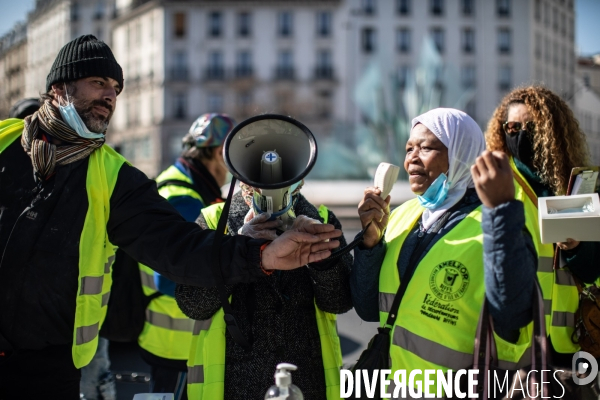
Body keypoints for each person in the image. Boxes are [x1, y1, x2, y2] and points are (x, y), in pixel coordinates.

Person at [0, 34, 341, 399]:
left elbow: (179, 248)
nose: (110, 96)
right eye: (98, 82)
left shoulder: (115, 178)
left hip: (49, 370)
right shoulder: (5, 142)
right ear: (59, 87)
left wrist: (260, 256)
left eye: (116, 88)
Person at [351, 108, 537, 396]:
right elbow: (368, 309)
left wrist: (502, 214)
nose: (412, 157)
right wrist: (369, 245)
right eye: (409, 148)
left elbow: (513, 316)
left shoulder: (496, 223)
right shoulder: (402, 215)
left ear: (461, 153)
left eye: (426, 147)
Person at [176, 181, 353, 400]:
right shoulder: (215, 221)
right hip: (234, 387)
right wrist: (237, 250)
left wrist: (323, 260)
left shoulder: (322, 219)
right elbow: (192, 303)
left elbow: (340, 301)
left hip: (307, 384)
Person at [486, 85, 600, 366]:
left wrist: (577, 247)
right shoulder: (497, 185)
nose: (521, 134)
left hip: (573, 341)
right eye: (512, 127)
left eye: (531, 126)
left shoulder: (578, 187)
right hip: (515, 346)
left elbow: (593, 272)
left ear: (552, 130)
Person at [138, 113, 235, 399]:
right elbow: (173, 277)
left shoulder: (188, 185)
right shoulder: (183, 197)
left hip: (177, 340)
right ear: (220, 153)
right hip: (178, 344)